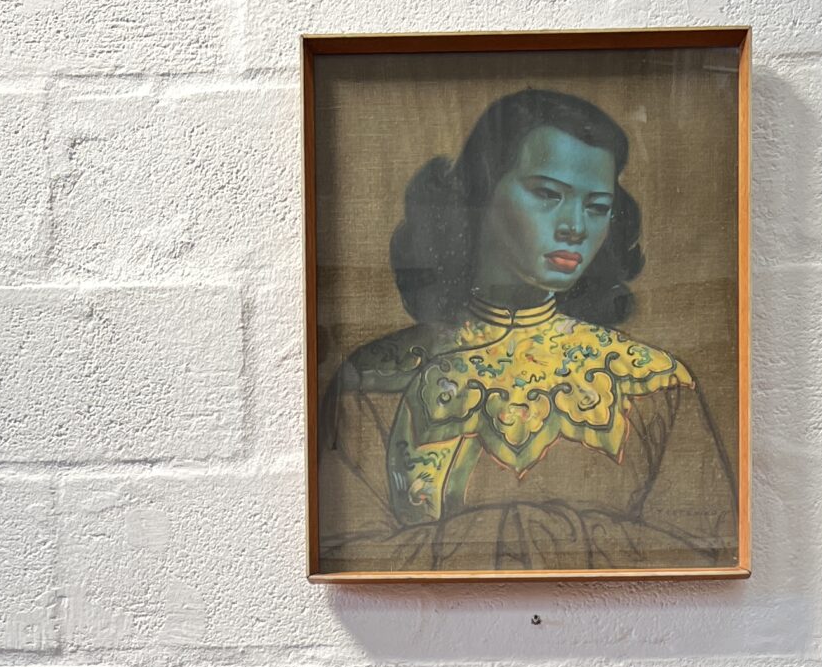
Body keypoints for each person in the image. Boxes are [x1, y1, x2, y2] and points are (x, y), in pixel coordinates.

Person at [316, 87, 737, 573]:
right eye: (547, 195)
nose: (574, 227)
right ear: (480, 194)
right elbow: (351, 560)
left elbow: (703, 557)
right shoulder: (370, 383)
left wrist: (514, 537)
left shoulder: (659, 384)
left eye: (597, 206)